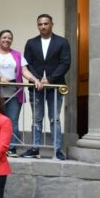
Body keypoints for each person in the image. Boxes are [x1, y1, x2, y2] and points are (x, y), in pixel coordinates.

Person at [20, 14, 71, 160]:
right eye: (40, 24)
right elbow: (27, 64)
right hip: (35, 87)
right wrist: (36, 80)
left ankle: (57, 150)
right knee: (36, 119)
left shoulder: (62, 42)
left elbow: (65, 63)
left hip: (55, 87)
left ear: (51, 24)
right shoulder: (31, 43)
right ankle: (35, 148)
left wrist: (49, 79)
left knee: (55, 119)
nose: (43, 26)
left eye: (46, 24)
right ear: (37, 25)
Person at [0, 30, 27, 156]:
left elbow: (24, 70)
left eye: (9, 38)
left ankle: (11, 148)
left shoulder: (17, 54)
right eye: (4, 37)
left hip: (15, 93)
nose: (7, 40)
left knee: (13, 121)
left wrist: (35, 80)